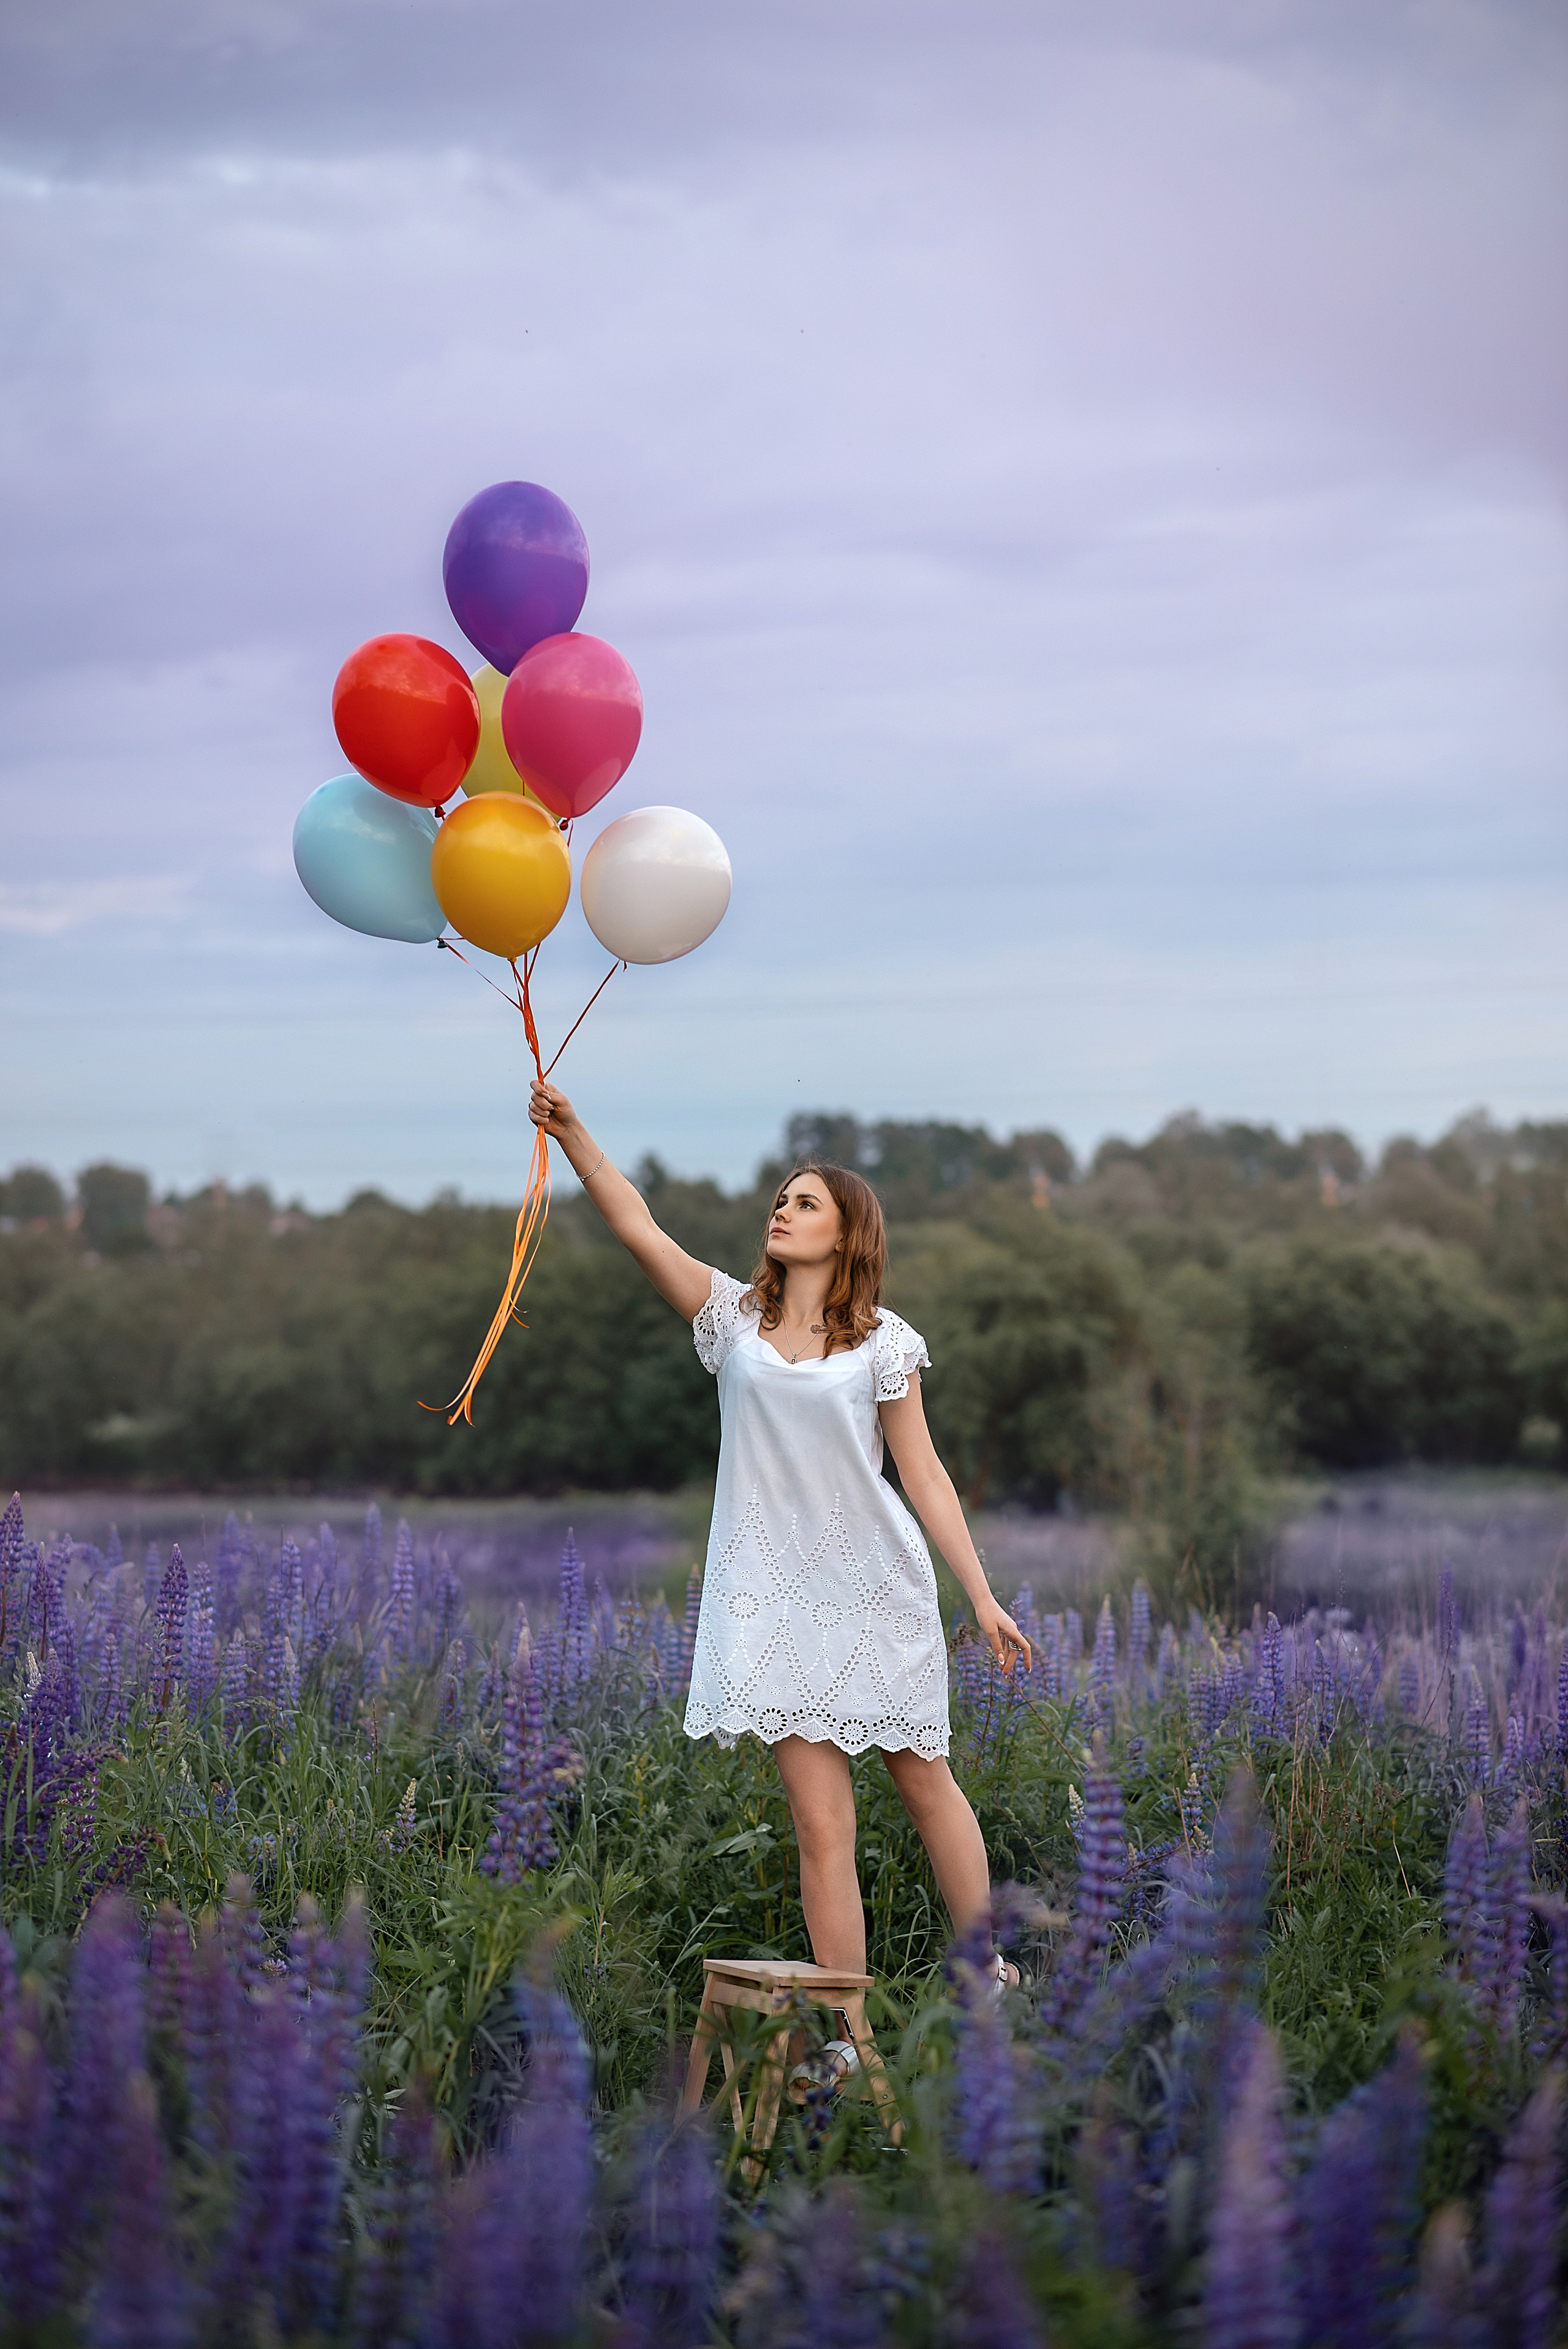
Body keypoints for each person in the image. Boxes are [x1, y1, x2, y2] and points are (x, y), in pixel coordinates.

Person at [529, 1081, 1032, 1992]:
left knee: (926, 1785)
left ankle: (984, 1970)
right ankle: (849, 2032)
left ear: (846, 1233)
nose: (784, 1210)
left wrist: (984, 1596)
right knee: (819, 1826)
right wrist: (574, 1136)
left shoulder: (885, 1344)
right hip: (772, 1605)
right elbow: (640, 1227)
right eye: (782, 1198)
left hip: (877, 1589)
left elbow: (923, 1475)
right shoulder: (732, 1321)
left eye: (807, 1203)